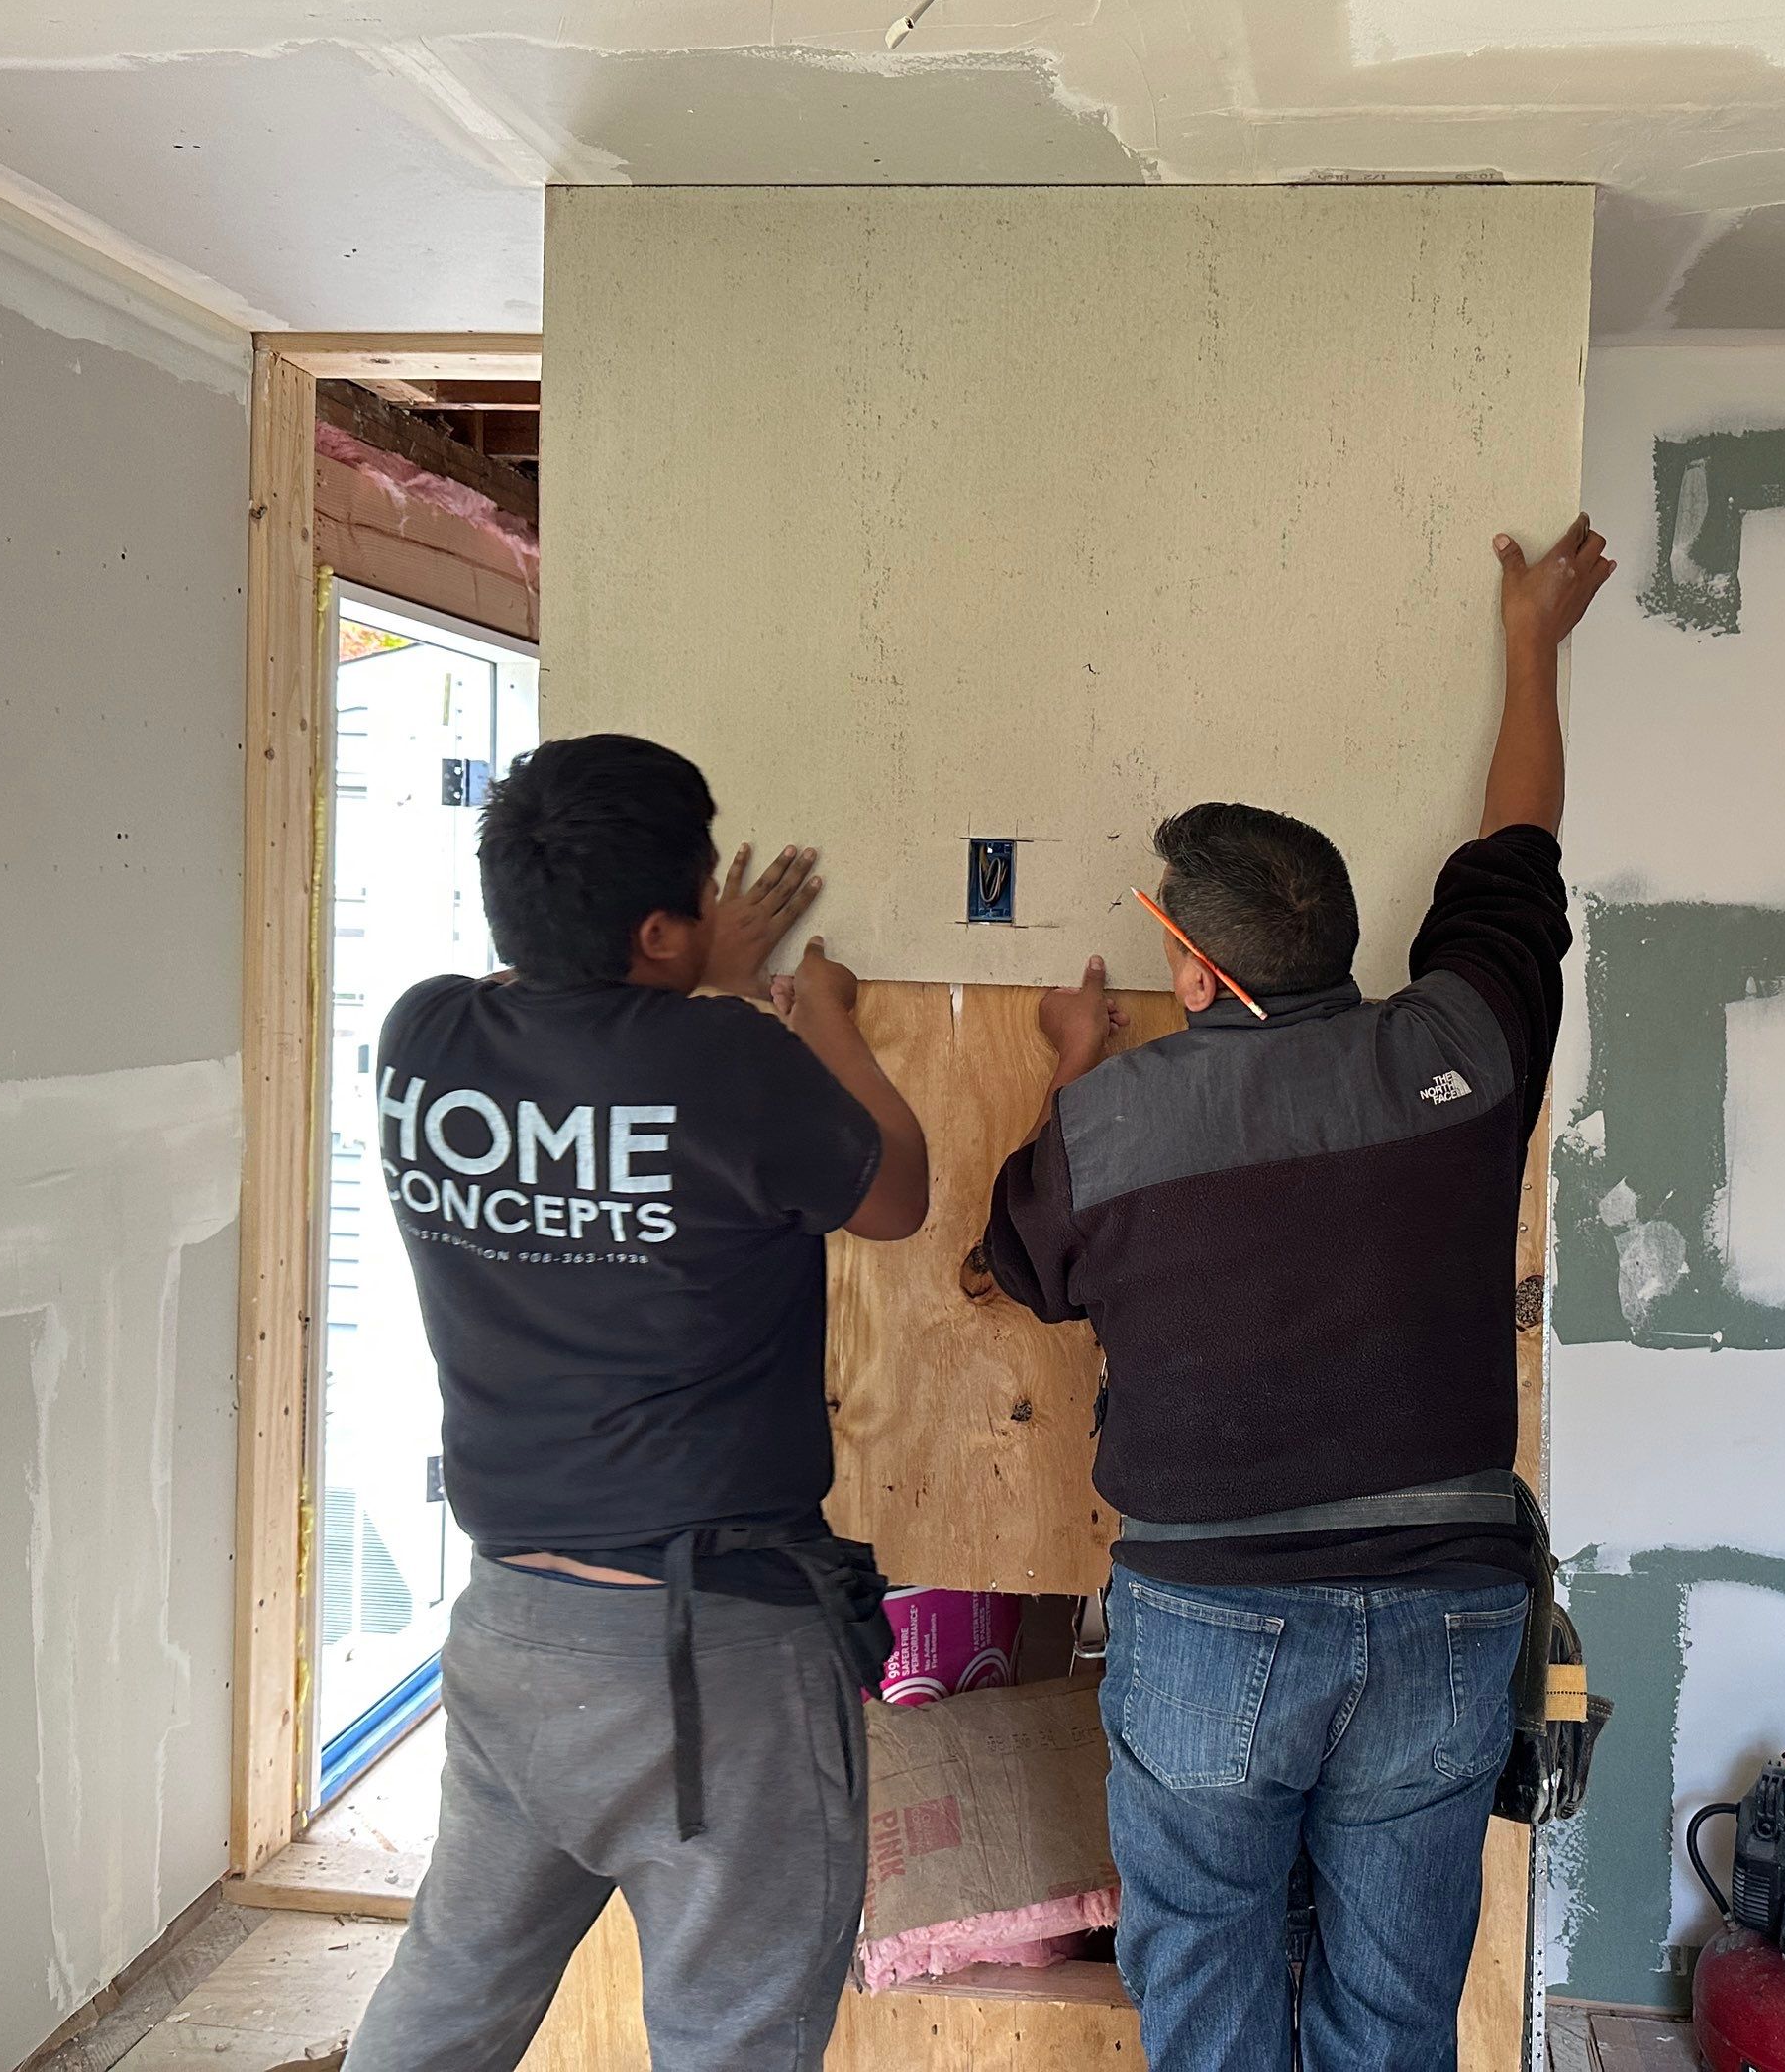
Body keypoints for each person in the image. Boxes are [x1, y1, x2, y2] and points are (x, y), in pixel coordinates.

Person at [981, 516, 1615, 2071]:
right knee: (1392, 2013)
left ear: (1191, 968)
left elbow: (1025, 1272)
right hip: (1450, 1623)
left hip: (1209, 1621)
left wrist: (1075, 1076)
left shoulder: (1108, 1128)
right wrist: (1534, 641)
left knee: (1205, 2002)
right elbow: (1517, 850)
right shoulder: (1463, 1044)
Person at [344, 732, 929, 2072]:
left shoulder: (424, 1034)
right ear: (664, 926)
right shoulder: (733, 1066)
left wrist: (678, 974)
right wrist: (816, 1019)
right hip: (706, 1656)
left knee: (446, 2004)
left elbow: (555, 1014)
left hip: (511, 1636)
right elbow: (897, 1196)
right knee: (733, 2032)